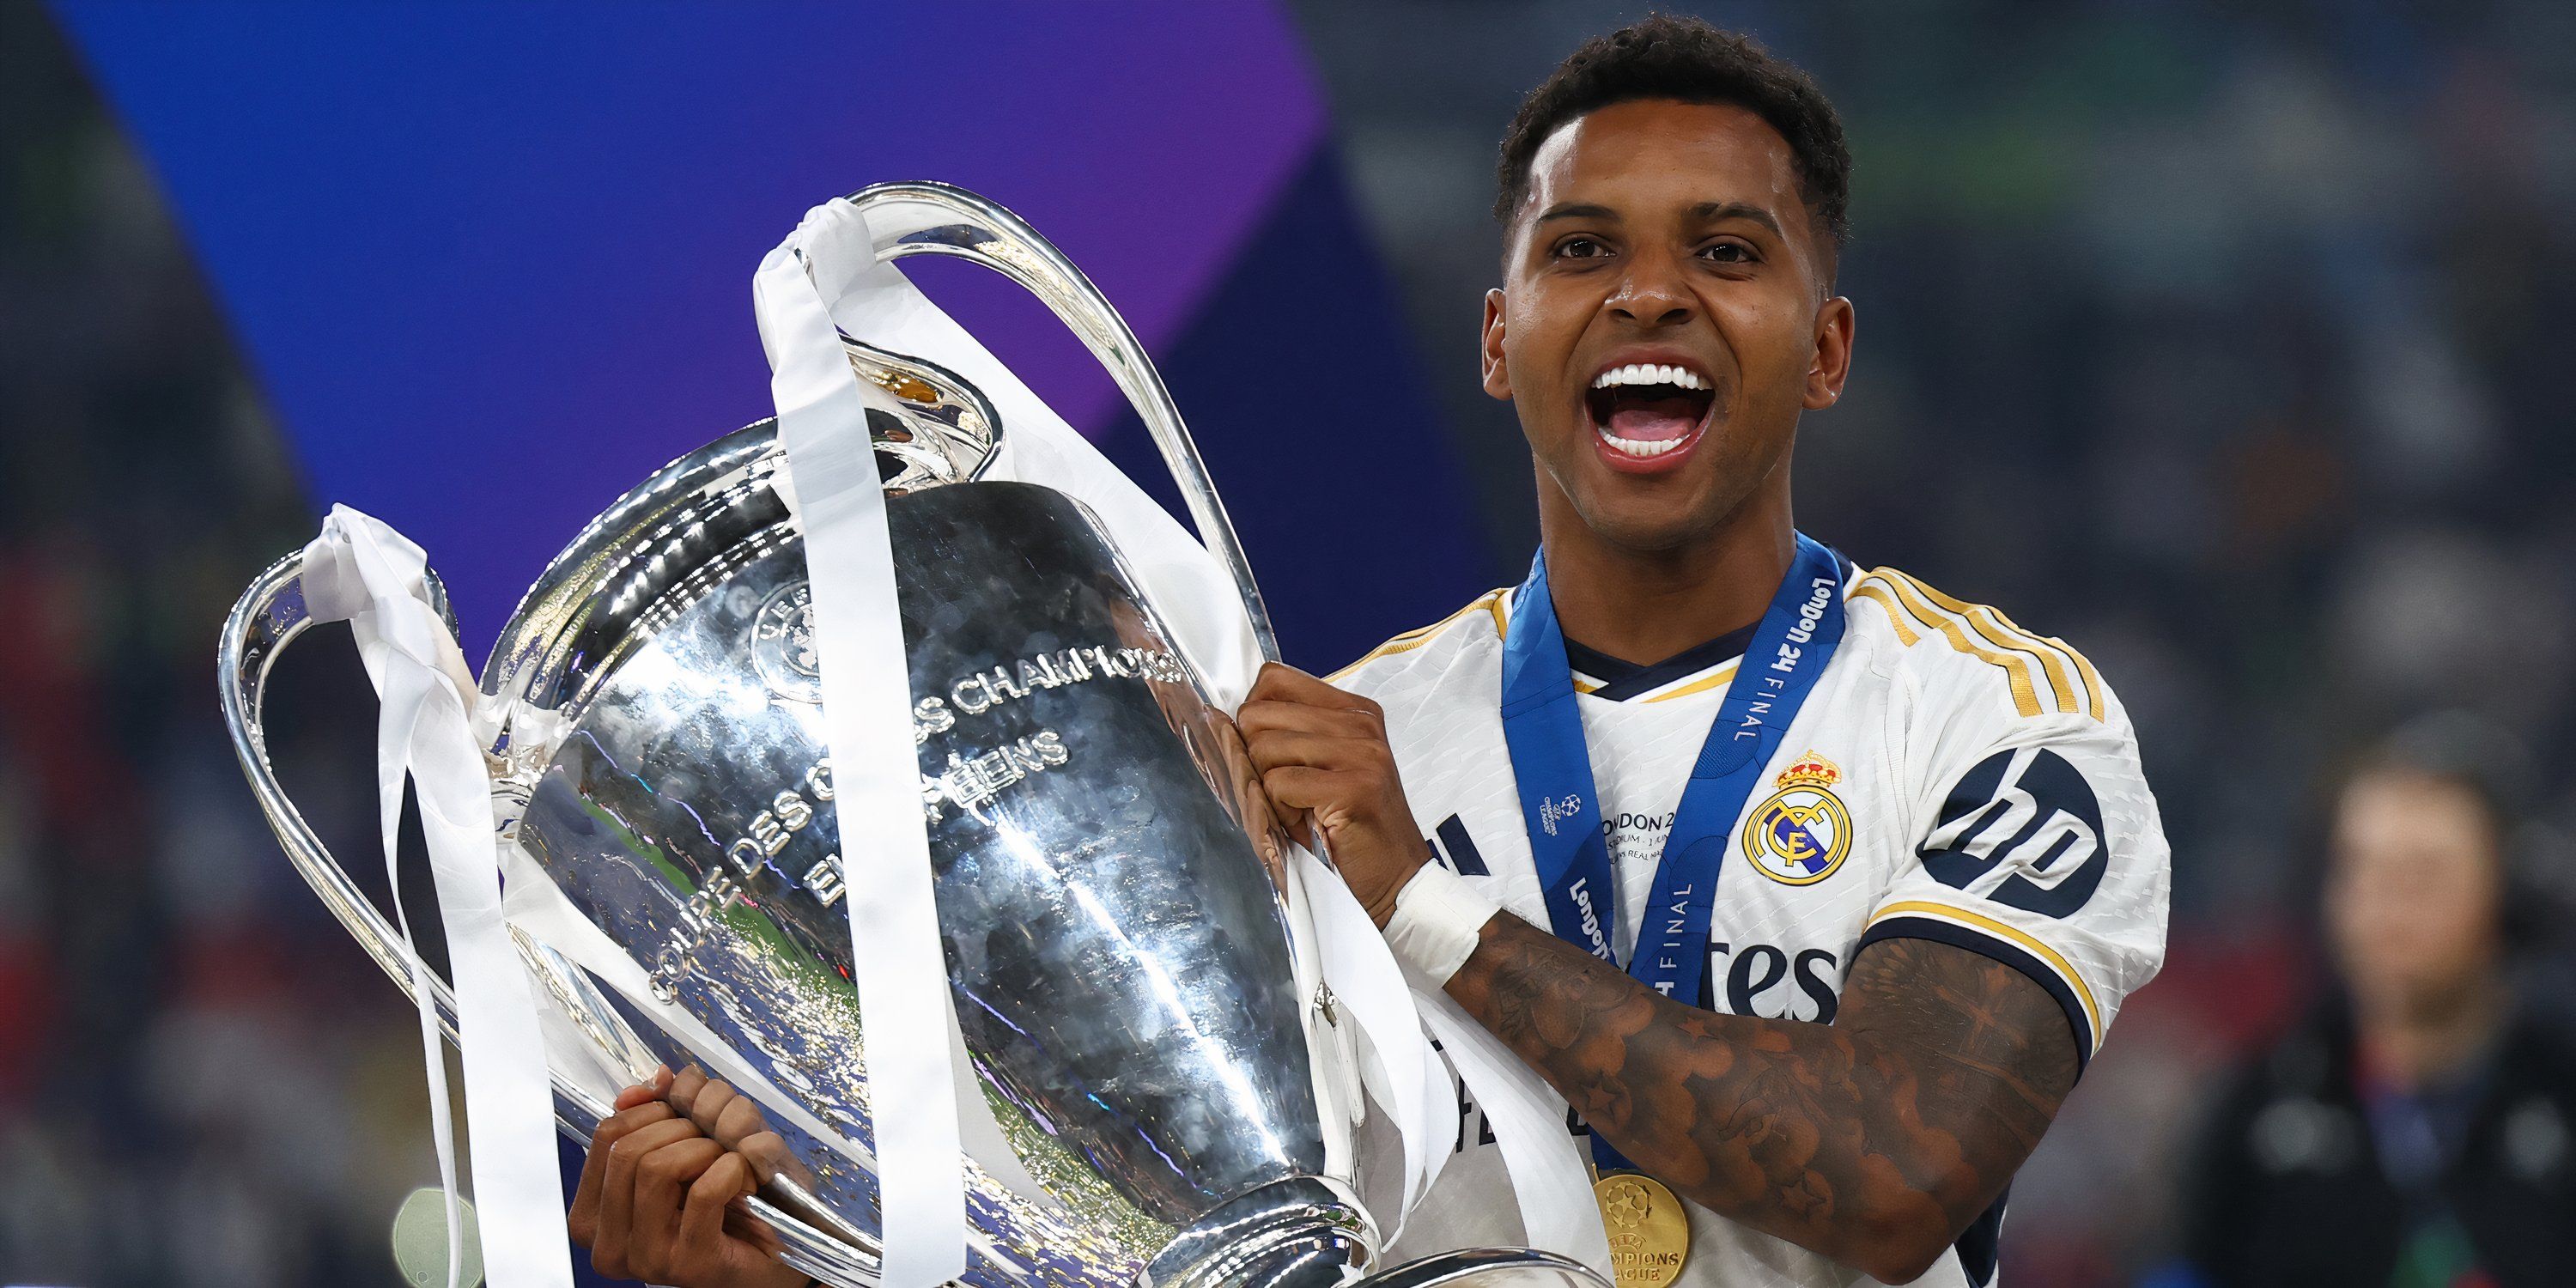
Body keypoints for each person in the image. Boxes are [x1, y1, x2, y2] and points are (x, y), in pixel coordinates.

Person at [568, 15, 2170, 1288]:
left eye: (1730, 254)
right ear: (1501, 338)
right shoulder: (1317, 751)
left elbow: (1894, 1179)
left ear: (1825, 351)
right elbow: (1196, 1256)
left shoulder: (1989, 723)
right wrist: (809, 1266)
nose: (1652, 296)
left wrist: (1426, 906)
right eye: (1582, 250)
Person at [2178, 718, 2576, 1287]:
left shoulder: (2563, 1097)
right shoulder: (2257, 1107)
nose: (2385, 907)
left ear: (2506, 895)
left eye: (2424, 874)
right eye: (2361, 868)